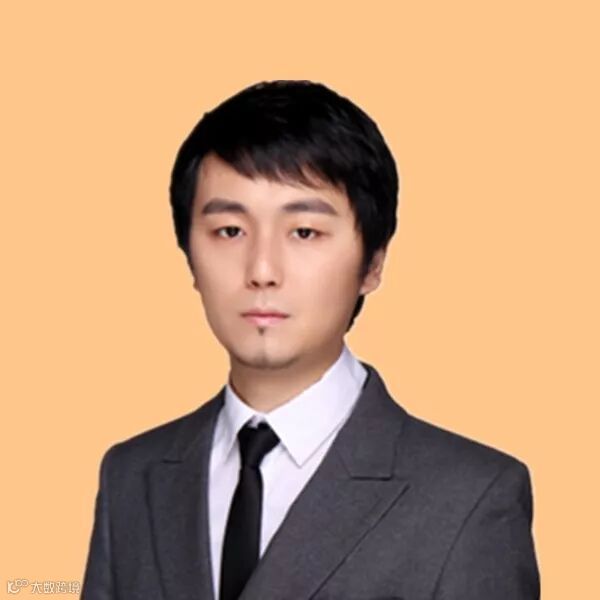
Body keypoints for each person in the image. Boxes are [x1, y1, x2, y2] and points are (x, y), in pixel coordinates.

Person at [81, 80, 540, 600]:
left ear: (373, 263)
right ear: (189, 254)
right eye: (230, 231)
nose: (261, 270)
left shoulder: (471, 498)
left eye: (304, 232)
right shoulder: (131, 476)